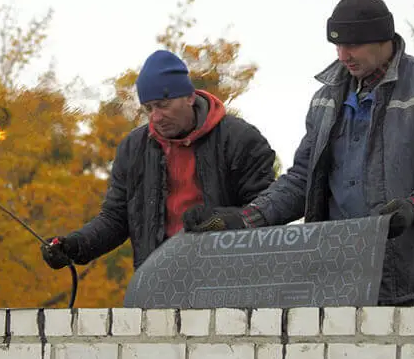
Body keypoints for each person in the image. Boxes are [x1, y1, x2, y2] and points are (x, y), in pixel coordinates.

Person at [183, 0, 414, 306]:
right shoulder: (325, 100)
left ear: (383, 38)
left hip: (413, 276)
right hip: (338, 275)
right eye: (337, 46)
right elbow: (303, 179)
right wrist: (244, 219)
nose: (343, 55)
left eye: (352, 45)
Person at [40, 49, 277, 271]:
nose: (156, 117)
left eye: (163, 105)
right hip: (157, 279)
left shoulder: (241, 140)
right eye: (148, 108)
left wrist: (221, 220)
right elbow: (115, 219)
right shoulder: (133, 149)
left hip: (228, 274)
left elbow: (266, 212)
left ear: (189, 97)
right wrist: (75, 245)